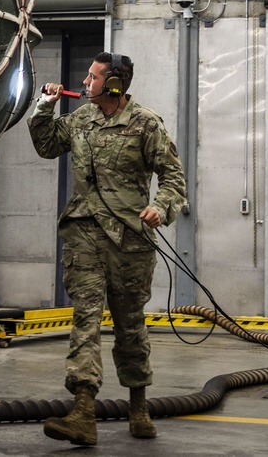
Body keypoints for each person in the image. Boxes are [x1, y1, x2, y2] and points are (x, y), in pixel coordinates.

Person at [27, 51, 186, 446]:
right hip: (85, 232)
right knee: (86, 317)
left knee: (130, 325)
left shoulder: (147, 124)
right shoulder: (81, 119)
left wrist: (160, 208)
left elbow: (173, 178)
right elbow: (46, 146)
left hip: (131, 241)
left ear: (113, 85)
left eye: (93, 77)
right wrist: (43, 109)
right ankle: (83, 411)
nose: (85, 82)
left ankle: (138, 406)